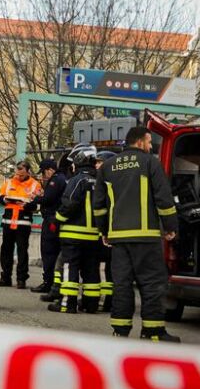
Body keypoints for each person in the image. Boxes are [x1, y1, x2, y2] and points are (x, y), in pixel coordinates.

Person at [94, 126, 180, 342]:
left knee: (122, 284)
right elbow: (163, 198)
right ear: (141, 142)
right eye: (150, 142)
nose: (151, 147)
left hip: (119, 238)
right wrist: (170, 226)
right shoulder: (150, 162)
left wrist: (104, 231)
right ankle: (153, 332)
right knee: (152, 283)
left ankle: (120, 330)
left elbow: (99, 206)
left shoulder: (107, 166)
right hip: (146, 237)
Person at [50, 144, 102, 314]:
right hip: (94, 235)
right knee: (91, 270)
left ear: (79, 161)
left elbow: (69, 204)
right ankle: (91, 304)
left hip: (73, 234)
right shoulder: (101, 180)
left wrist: (57, 220)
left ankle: (67, 304)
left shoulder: (77, 180)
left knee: (70, 268)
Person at [0, 161, 42, 289]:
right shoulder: (9, 182)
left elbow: (38, 204)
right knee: (6, 251)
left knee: (22, 252)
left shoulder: (35, 185)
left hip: (23, 222)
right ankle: (5, 277)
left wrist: (26, 205)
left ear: (28, 172)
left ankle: (21, 279)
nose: (18, 177)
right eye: (17, 174)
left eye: (21, 175)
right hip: (8, 222)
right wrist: (5, 199)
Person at [30, 158, 67, 294]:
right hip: (59, 220)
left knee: (49, 252)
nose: (44, 176)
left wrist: (36, 198)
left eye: (44, 172)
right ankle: (56, 283)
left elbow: (48, 199)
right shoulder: (64, 178)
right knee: (57, 254)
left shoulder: (56, 180)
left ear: (50, 170)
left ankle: (48, 282)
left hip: (52, 220)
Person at [94, 150, 117, 311]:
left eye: (99, 162)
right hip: (104, 232)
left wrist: (104, 230)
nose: (96, 165)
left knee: (110, 269)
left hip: (108, 233)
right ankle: (103, 299)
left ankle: (109, 300)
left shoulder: (109, 183)